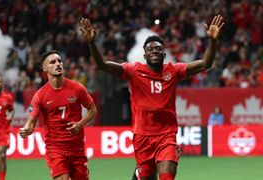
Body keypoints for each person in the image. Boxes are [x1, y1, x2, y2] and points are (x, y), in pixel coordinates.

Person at [80, 15, 224, 180]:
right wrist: (91, 43)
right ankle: (138, 174)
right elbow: (102, 65)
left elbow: (205, 63)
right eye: (150, 49)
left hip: (166, 135)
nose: (155, 51)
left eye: (158, 49)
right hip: (142, 137)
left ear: (163, 54)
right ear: (145, 55)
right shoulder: (133, 71)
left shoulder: (174, 71)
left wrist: (213, 41)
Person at [19, 50, 97, 180]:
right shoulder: (40, 95)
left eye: (60, 61)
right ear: (45, 68)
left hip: (77, 149)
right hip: (55, 149)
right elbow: (32, 120)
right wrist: (27, 128)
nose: (58, 64)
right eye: (53, 62)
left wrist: (79, 124)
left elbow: (93, 109)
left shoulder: (77, 88)